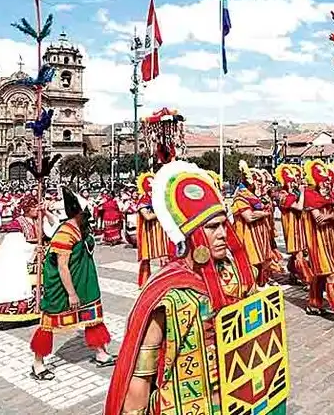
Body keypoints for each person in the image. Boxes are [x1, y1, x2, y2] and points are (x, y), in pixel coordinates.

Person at [104, 161, 260, 415]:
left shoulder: (235, 274)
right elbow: (142, 374)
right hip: (182, 404)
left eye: (223, 224)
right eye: (212, 227)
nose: (223, 233)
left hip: (236, 398)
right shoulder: (168, 293)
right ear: (191, 233)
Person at [29, 186, 115, 381]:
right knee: (48, 324)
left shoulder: (81, 228)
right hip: (63, 288)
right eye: (86, 214)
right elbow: (62, 267)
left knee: (93, 318)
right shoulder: (65, 234)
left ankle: (100, 353)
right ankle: (38, 363)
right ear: (78, 214)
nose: (90, 217)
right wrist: (71, 294)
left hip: (85, 283)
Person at [302, 159, 334, 322]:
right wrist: (333, 214)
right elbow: (319, 220)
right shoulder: (310, 195)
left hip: (329, 241)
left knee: (320, 276)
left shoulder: (329, 195)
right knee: (330, 276)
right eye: (324, 180)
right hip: (317, 244)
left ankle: (314, 304)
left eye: (327, 180)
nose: (327, 183)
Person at [232, 160, 277, 287]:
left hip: (260, 239)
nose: (260, 184)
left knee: (263, 265)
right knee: (251, 268)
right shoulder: (240, 197)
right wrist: (265, 214)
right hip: (247, 240)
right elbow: (249, 217)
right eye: (258, 181)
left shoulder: (255, 197)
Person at [275, 163, 313, 285]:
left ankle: (292, 273)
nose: (295, 181)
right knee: (298, 254)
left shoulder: (293, 192)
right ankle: (307, 279)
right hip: (292, 228)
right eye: (291, 180)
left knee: (299, 253)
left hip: (299, 226)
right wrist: (302, 192)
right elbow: (299, 207)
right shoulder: (283, 195)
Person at [135, 172, 170, 287]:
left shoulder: (160, 198)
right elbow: (147, 216)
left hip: (161, 231)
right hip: (148, 233)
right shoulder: (144, 200)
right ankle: (144, 283)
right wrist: (162, 212)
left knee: (165, 256)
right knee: (146, 259)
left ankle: (166, 281)